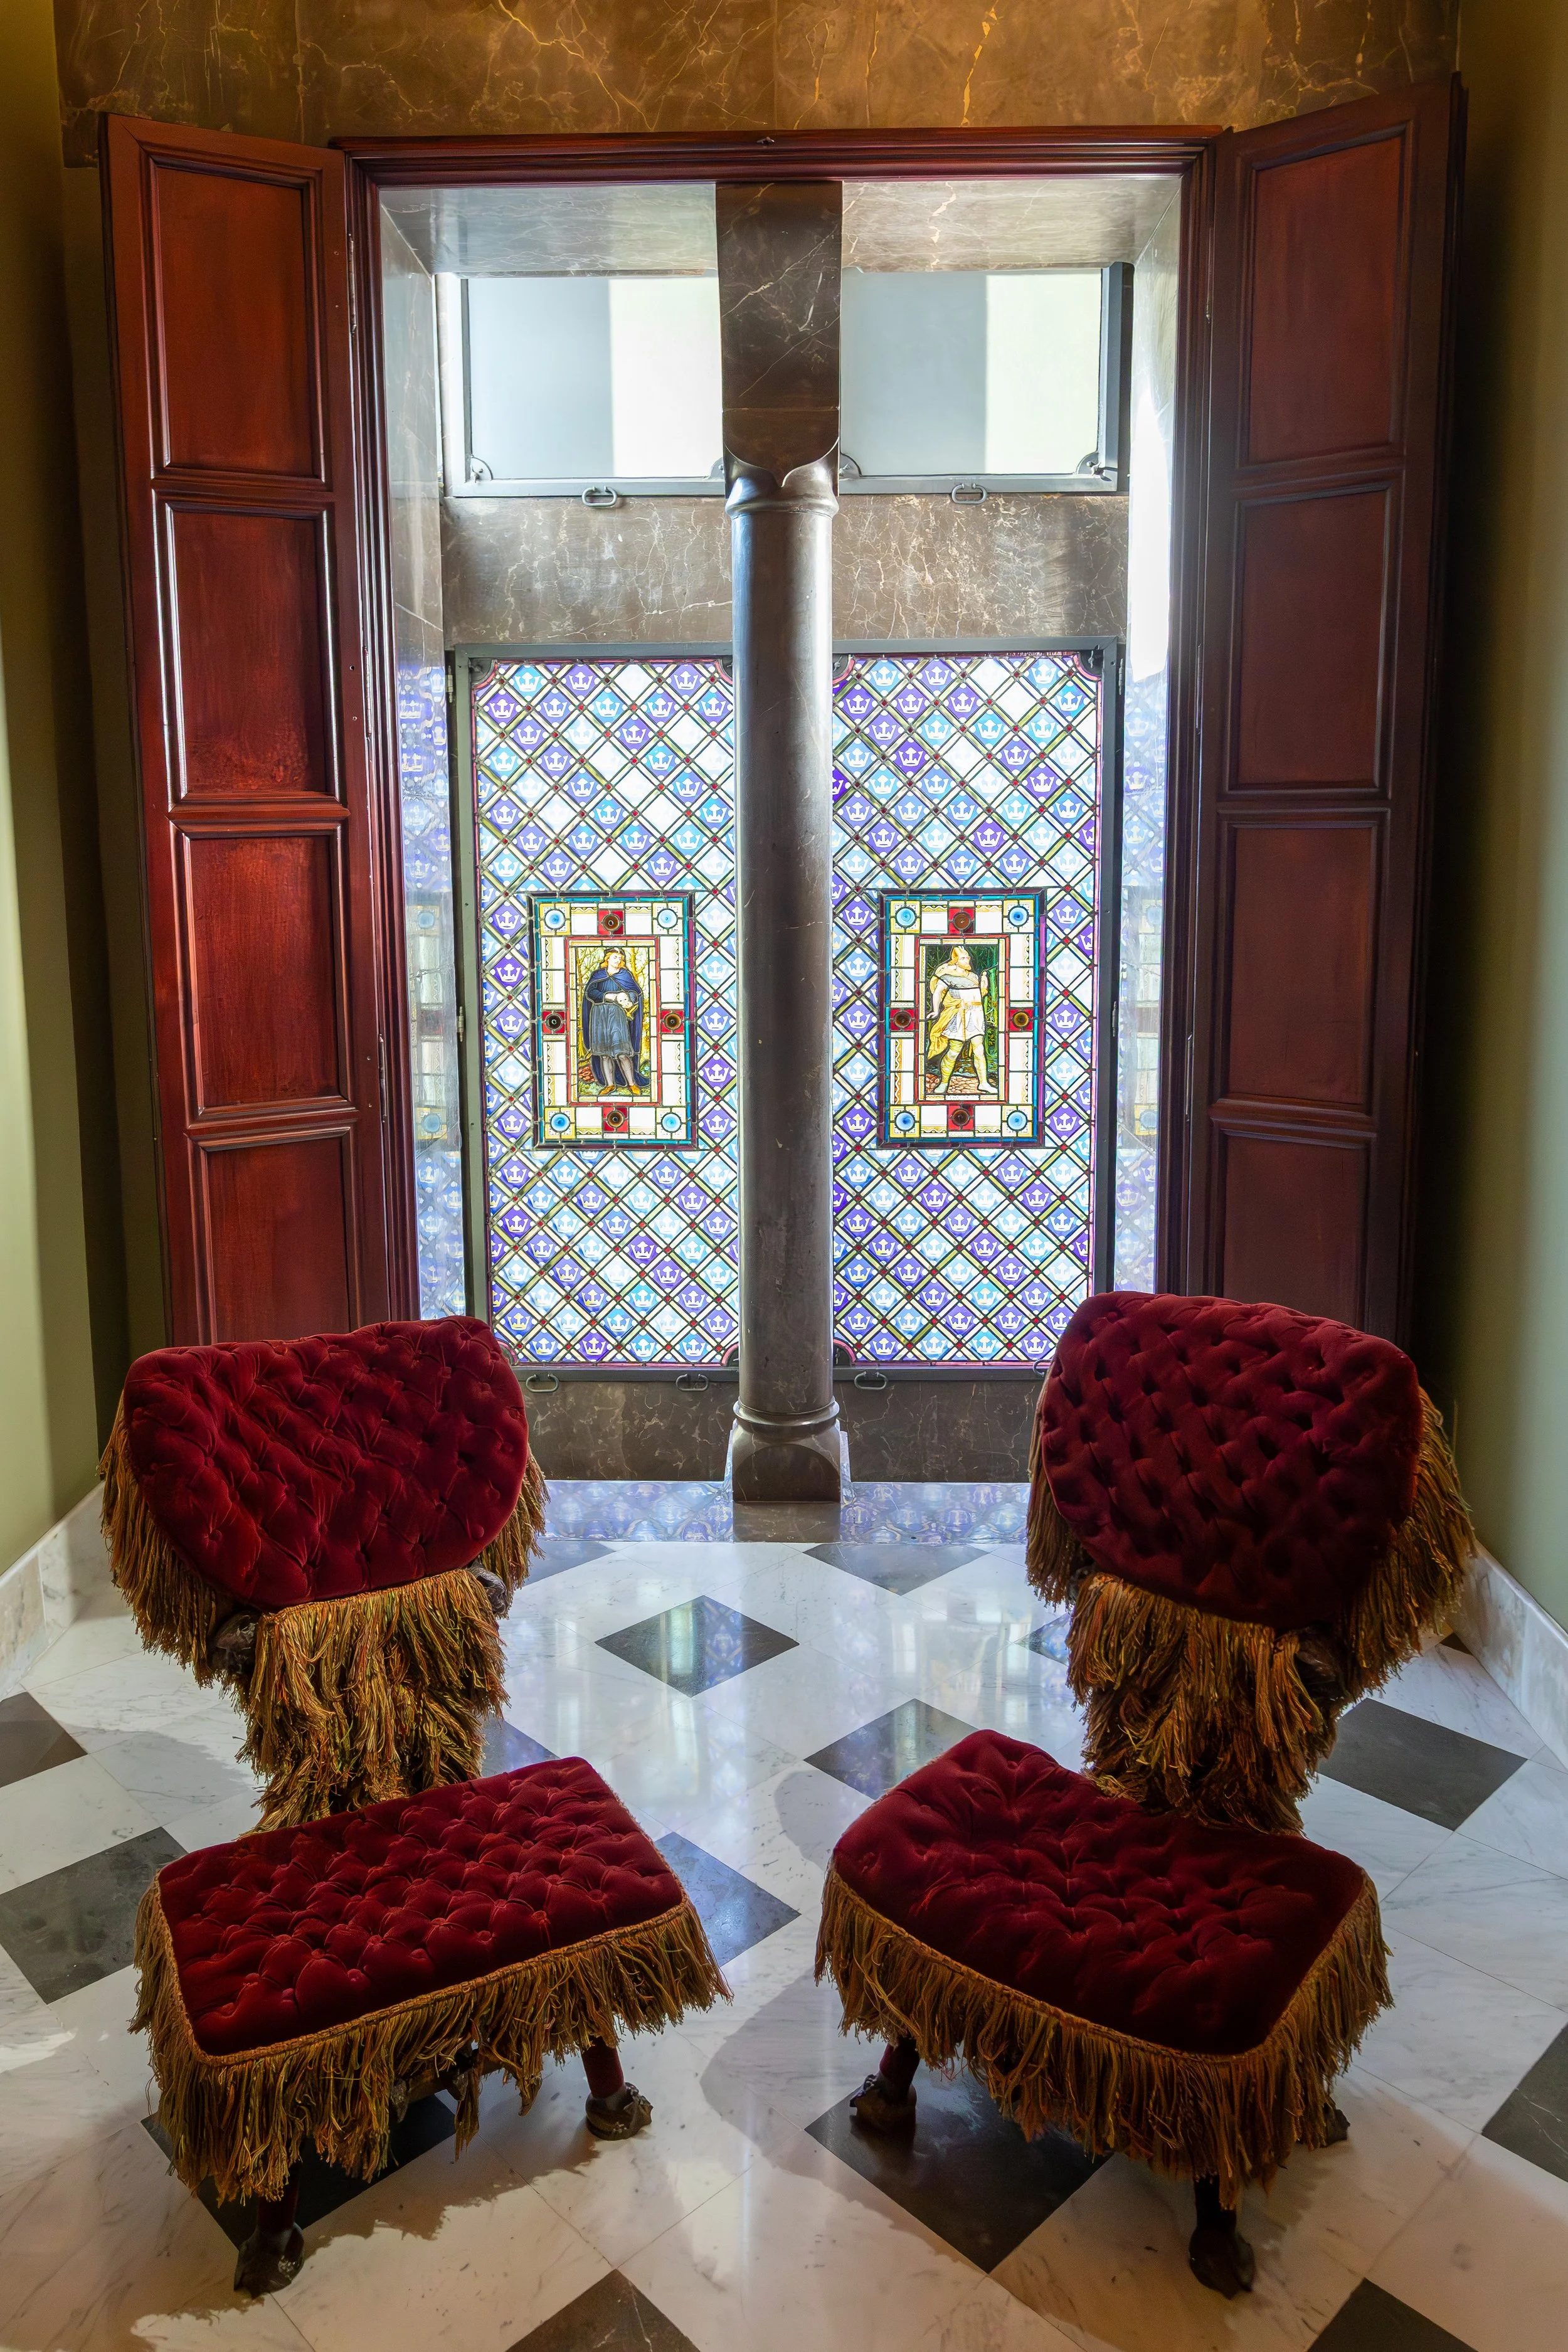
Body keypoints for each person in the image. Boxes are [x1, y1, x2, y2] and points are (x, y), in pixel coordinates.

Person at [926, 941, 993, 1095]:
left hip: (976, 1015)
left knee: (979, 1050)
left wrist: (984, 985)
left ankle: (983, 1083)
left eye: (968, 958)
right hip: (959, 1016)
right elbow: (937, 993)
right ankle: (944, 1083)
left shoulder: (973, 976)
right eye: (964, 958)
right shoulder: (948, 977)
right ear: (956, 961)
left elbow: (979, 995)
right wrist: (936, 1011)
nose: (967, 960)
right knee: (954, 1051)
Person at [581, 946, 645, 1091]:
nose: (618, 960)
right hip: (599, 1014)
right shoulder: (598, 975)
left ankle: (632, 1083)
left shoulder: (625, 975)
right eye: (615, 957)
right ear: (607, 958)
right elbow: (590, 993)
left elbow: (635, 992)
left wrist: (629, 999)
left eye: (620, 958)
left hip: (617, 1015)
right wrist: (608, 996)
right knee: (604, 1054)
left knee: (622, 1053)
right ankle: (609, 1085)